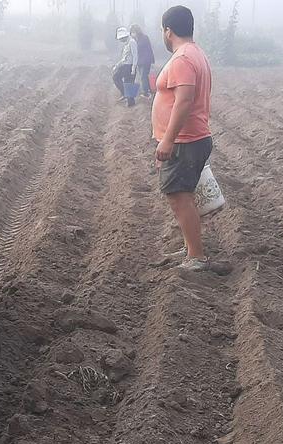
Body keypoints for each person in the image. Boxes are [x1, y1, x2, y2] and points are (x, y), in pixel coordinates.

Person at [152, 6, 213, 271]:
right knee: (182, 195)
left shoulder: (182, 59)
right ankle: (191, 248)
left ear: (168, 31)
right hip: (190, 138)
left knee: (180, 197)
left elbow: (184, 100)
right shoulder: (195, 53)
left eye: (163, 31)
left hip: (185, 141)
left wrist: (167, 140)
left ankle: (196, 257)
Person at [112, 27, 138, 107]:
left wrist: (133, 68)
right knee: (116, 77)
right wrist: (117, 65)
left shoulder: (132, 42)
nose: (120, 41)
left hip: (129, 66)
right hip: (125, 65)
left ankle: (131, 102)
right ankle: (126, 95)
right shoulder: (126, 44)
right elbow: (124, 58)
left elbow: (135, 56)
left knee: (129, 83)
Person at [130, 24, 156, 98]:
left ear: (137, 31)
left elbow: (146, 49)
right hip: (141, 60)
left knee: (143, 76)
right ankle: (148, 90)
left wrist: (152, 60)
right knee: (144, 76)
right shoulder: (136, 39)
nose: (132, 34)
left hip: (145, 60)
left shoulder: (143, 38)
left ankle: (146, 93)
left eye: (133, 32)